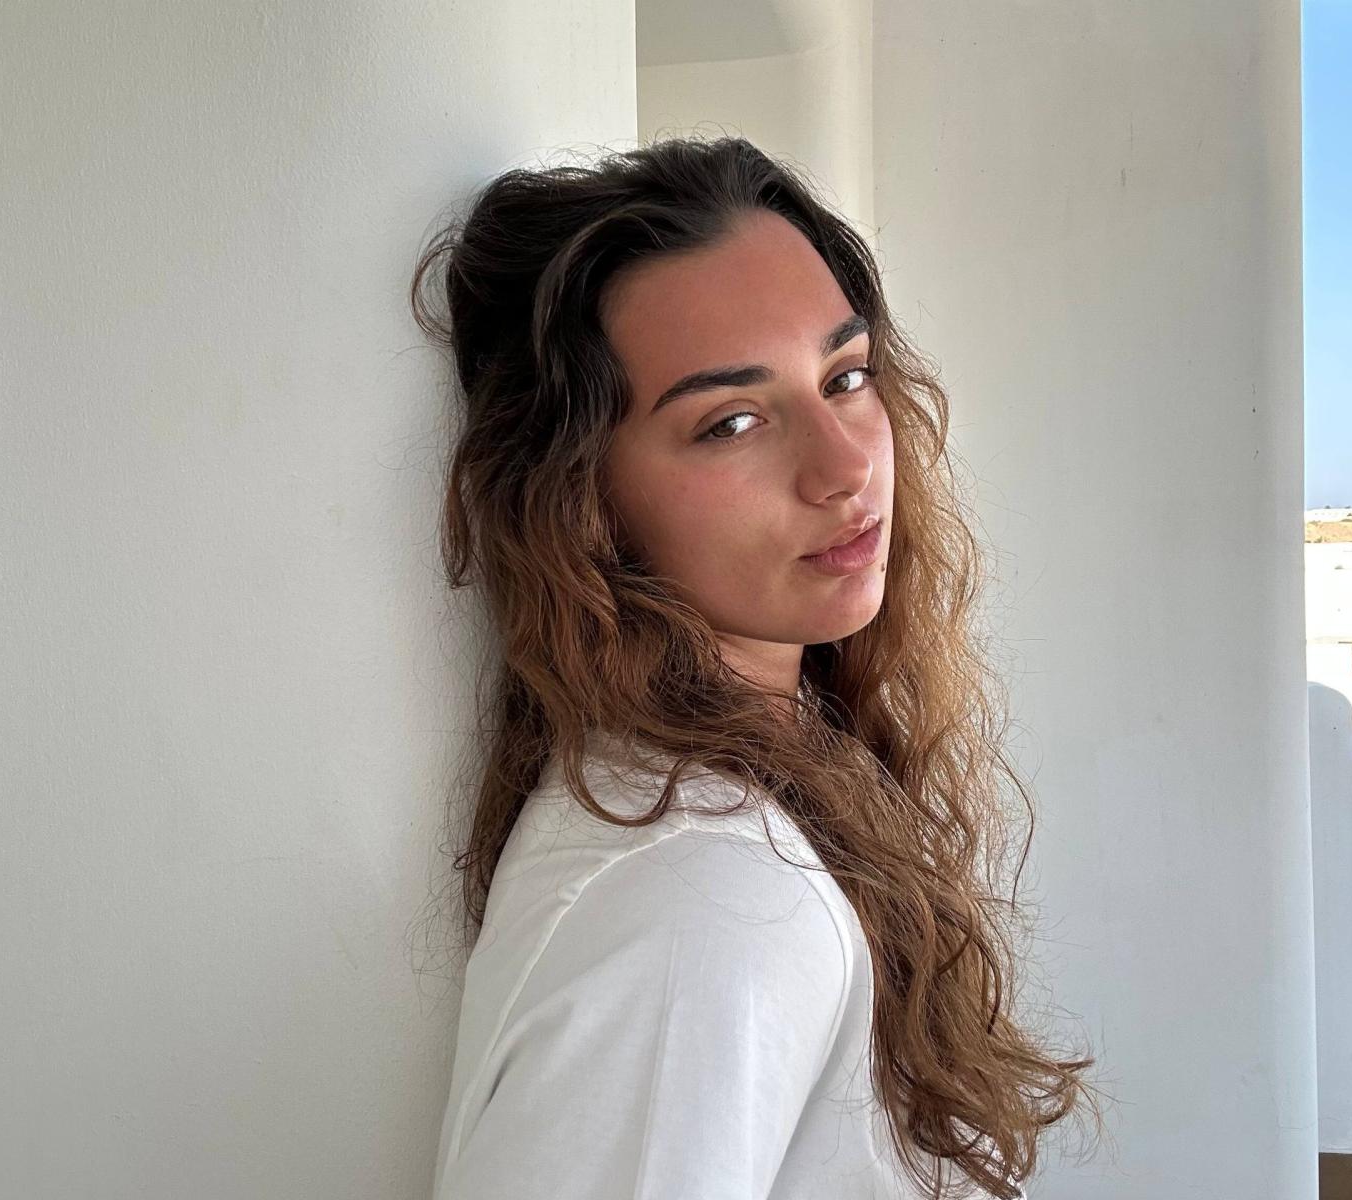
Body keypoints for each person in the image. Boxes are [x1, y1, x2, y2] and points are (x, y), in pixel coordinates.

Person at [410, 135, 1102, 1200]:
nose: (844, 467)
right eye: (730, 421)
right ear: (580, 498)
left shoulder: (762, 783)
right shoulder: (703, 894)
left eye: (846, 375)